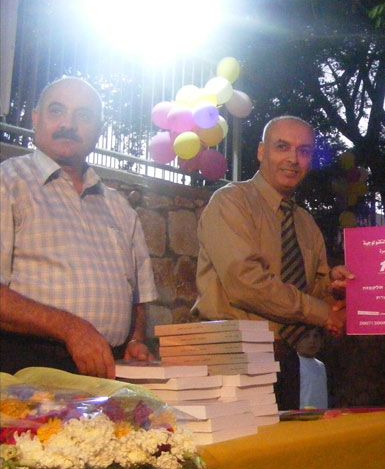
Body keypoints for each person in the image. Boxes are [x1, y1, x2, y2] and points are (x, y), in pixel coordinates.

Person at [0, 76, 157, 378]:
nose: (68, 124)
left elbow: (138, 298)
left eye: (83, 116)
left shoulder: (120, 208)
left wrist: (135, 341)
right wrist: (71, 329)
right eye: (56, 111)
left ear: (98, 129)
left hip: (107, 370)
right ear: (36, 119)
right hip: (28, 369)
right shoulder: (8, 183)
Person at [193, 116, 349, 410]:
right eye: (282, 147)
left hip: (295, 363)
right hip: (234, 359)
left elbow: (313, 290)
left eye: (303, 151)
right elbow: (246, 283)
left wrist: (334, 288)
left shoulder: (305, 222)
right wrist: (323, 313)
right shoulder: (231, 202)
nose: (293, 159)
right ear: (261, 151)